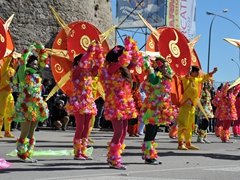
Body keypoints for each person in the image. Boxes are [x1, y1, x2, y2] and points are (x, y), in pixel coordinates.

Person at [100, 36, 142, 170]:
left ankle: (116, 157)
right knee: (118, 132)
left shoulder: (122, 69)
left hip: (124, 104)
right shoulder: (111, 67)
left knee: (124, 132)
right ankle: (113, 159)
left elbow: (134, 63)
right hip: (115, 104)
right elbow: (122, 61)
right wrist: (127, 48)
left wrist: (133, 48)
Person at [65, 41, 104, 160]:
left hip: (88, 102)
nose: (88, 62)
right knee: (80, 127)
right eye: (86, 60)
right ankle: (77, 152)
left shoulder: (88, 73)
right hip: (79, 102)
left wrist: (98, 52)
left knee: (87, 128)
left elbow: (98, 66)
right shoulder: (76, 71)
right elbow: (82, 64)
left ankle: (83, 150)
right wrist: (89, 51)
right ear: (78, 61)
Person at [12, 41, 49, 162]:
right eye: (33, 64)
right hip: (25, 107)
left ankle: (28, 153)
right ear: (28, 64)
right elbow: (22, 64)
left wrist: (40, 48)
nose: (36, 66)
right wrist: (26, 53)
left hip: (36, 106)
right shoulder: (23, 73)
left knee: (32, 132)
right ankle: (22, 154)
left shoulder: (37, 74)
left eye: (36, 64)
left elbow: (44, 60)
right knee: (25, 131)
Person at [139, 56, 178, 165]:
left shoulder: (165, 77)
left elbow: (171, 73)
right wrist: (147, 61)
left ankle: (151, 155)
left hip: (160, 108)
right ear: (159, 67)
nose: (167, 68)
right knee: (150, 133)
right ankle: (148, 156)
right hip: (152, 109)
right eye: (164, 66)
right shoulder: (154, 76)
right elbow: (153, 78)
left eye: (167, 66)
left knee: (154, 133)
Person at [177, 65, 217, 150]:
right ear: (193, 72)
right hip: (185, 105)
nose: (199, 74)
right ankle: (180, 143)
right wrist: (188, 71)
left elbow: (205, 77)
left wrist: (212, 73)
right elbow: (185, 78)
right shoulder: (186, 79)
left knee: (190, 125)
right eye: (197, 72)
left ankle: (188, 142)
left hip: (192, 106)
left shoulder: (196, 80)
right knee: (183, 125)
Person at [0, 55, 17, 138]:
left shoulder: (13, 70)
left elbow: (17, 64)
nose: (13, 61)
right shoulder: (4, 69)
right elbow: (6, 63)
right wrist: (10, 55)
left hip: (10, 93)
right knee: (1, 113)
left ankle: (7, 131)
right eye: (12, 60)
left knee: (9, 113)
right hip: (2, 93)